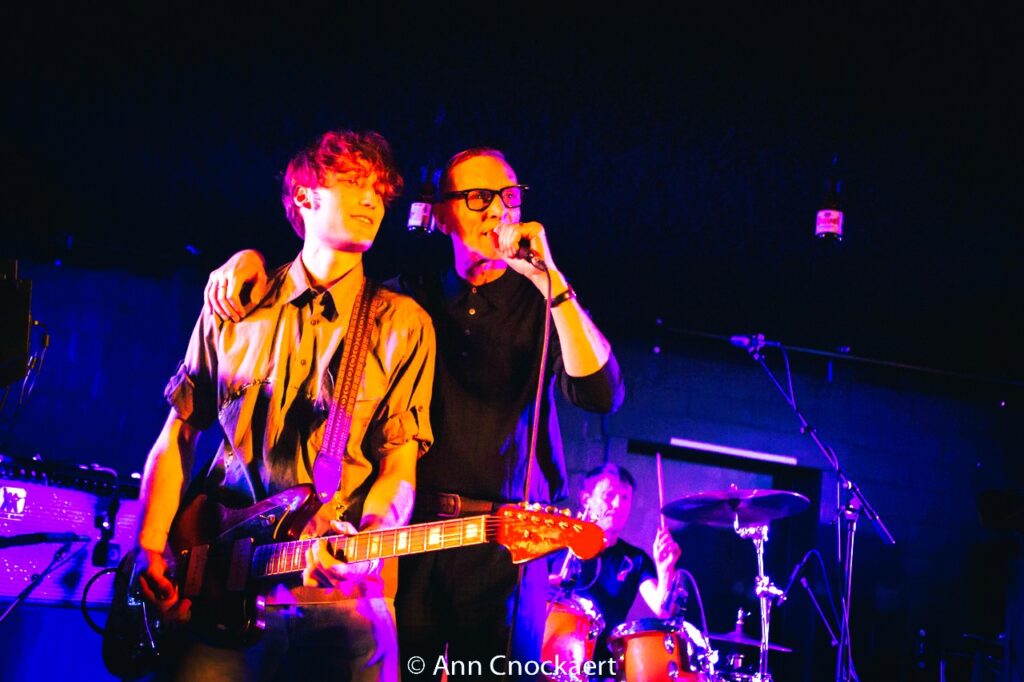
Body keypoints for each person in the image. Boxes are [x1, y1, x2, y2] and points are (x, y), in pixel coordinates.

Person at [204, 146, 625, 680]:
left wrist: (552, 283)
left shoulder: (543, 302)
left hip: (506, 543)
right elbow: (320, 279)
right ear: (441, 215)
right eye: (479, 197)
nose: (499, 210)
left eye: (509, 196)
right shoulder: (409, 298)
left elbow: (602, 395)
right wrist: (247, 259)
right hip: (411, 535)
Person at [134, 129, 436, 681]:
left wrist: (368, 541)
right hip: (216, 588)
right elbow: (176, 436)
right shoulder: (235, 306)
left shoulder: (404, 324)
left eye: (379, 190)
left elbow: (399, 466)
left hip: (337, 605)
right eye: (354, 182)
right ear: (303, 197)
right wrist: (149, 547)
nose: (372, 200)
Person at [548, 463, 683, 672]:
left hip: (602, 667)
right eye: (609, 495)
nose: (618, 504)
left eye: (625, 497)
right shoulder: (558, 545)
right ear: (586, 499)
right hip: (551, 656)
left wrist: (665, 569)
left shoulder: (634, 559)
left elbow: (663, 611)